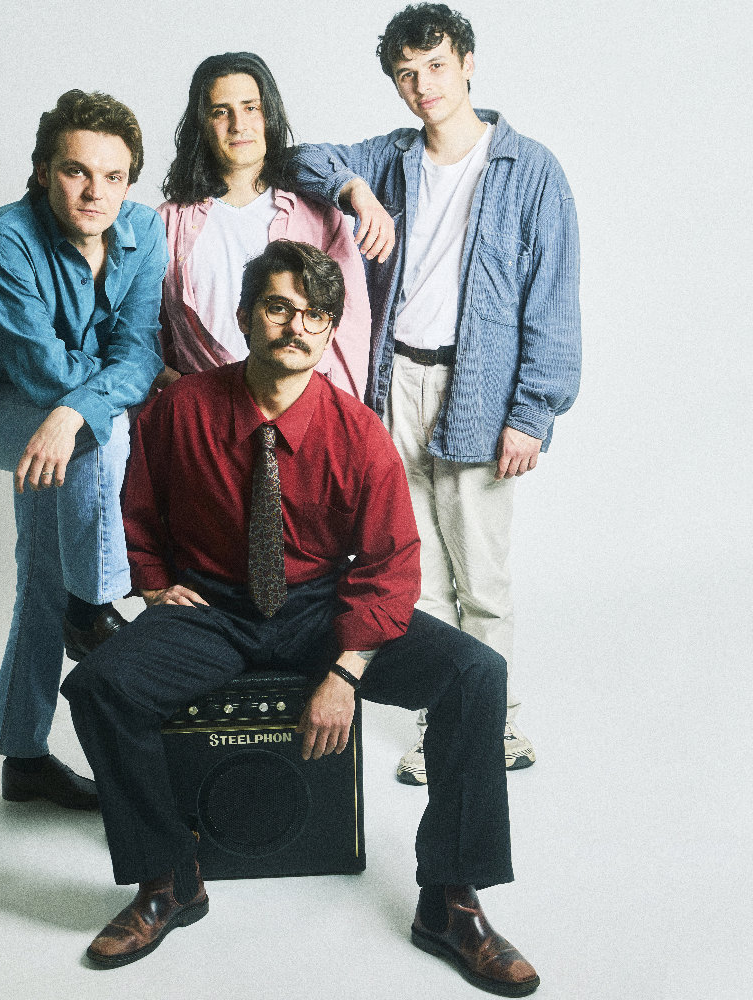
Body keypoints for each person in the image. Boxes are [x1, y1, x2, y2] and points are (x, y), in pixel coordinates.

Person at [60, 241, 540, 997]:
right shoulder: (180, 411)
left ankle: (451, 902)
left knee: (475, 673)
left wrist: (345, 672)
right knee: (99, 686)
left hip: (322, 607)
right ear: (246, 315)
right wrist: (154, 585)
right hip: (212, 608)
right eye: (279, 307)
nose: (296, 327)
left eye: (316, 315)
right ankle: (168, 880)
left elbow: (390, 565)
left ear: (330, 330)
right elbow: (139, 510)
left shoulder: (358, 434)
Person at [287, 3, 582, 784]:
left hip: (478, 387)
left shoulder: (530, 169)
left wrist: (533, 412)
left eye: (437, 66)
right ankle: (442, 726)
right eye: (406, 74)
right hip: (395, 384)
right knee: (413, 575)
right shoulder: (388, 160)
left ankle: (497, 724)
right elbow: (300, 159)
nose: (424, 86)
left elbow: (553, 299)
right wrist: (356, 190)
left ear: (469, 64)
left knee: (482, 576)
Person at [0, 90, 167, 808]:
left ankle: (23, 756)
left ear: (129, 181)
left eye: (113, 176)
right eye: (76, 171)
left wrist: (80, 404)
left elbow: (142, 350)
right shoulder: (3, 238)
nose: (96, 192)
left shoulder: (144, 230)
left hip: (58, 421)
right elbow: (40, 372)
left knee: (42, 575)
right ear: (42, 172)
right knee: (100, 433)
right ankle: (93, 606)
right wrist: (90, 403)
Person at [155, 52, 371, 399]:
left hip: (300, 406)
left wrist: (338, 412)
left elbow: (350, 328)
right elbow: (148, 331)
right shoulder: (168, 222)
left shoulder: (317, 215)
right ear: (202, 124)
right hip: (204, 408)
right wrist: (180, 393)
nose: (238, 124)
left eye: (251, 108)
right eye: (220, 111)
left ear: (268, 115)